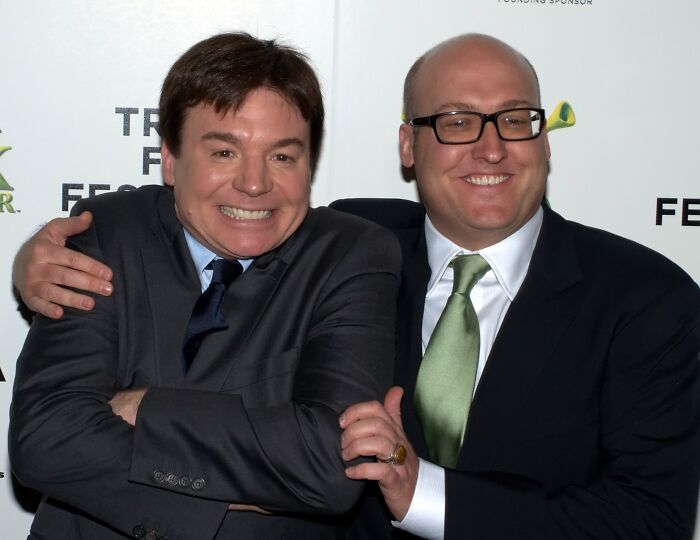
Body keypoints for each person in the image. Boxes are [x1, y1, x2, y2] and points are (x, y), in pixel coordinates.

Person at [13, 33, 700, 539]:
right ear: (408, 147)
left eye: (516, 120)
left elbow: (650, 519)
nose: (490, 148)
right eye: (456, 122)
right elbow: (45, 435)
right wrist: (35, 257)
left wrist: (422, 494)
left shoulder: (648, 301)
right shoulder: (361, 236)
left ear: (545, 141)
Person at [9, 32, 401, 540]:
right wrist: (259, 483)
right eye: (224, 152)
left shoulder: (350, 255)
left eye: (282, 157)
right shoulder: (105, 233)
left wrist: (148, 408)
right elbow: (46, 440)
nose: (254, 183)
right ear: (170, 159)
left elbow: (329, 468)